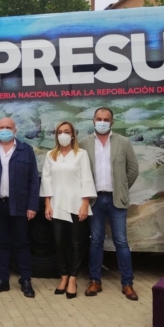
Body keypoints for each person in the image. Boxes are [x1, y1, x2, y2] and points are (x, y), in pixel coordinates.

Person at [79, 107, 139, 301]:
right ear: (93, 120)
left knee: (121, 242)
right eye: (99, 118)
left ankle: (127, 283)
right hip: (95, 200)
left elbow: (133, 170)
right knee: (95, 241)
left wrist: (121, 187)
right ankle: (95, 281)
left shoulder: (123, 142)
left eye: (106, 119)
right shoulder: (84, 143)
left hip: (116, 199)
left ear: (112, 122)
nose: (102, 122)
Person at [0, 117, 39, 298]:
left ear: (15, 130)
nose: (5, 130)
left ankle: (26, 280)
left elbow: (33, 181)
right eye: (1, 127)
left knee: (21, 243)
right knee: (2, 243)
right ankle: (2, 280)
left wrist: (33, 205)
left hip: (20, 205)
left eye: (8, 127)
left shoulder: (25, 150)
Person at [40, 121, 96, 299]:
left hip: (76, 204)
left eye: (66, 131)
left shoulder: (81, 154)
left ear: (73, 135)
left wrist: (85, 204)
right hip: (56, 205)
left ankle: (73, 278)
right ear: (56, 135)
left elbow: (87, 178)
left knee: (76, 244)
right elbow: (46, 180)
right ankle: (63, 276)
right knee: (58, 242)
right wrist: (47, 204)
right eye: (60, 132)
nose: (63, 134)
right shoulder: (51, 155)